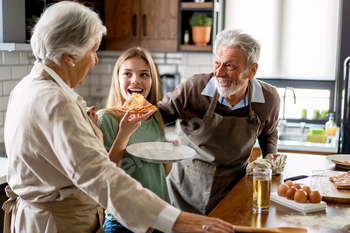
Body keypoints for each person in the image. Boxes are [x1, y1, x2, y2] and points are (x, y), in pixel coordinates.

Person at [2, 2, 236, 233]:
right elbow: (98, 173)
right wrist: (174, 220)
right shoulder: (55, 100)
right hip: (57, 224)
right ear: (70, 56)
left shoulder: (26, 87)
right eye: (93, 50)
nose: (95, 60)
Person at [158, 29, 281, 215]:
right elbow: (157, 117)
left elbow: (269, 131)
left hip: (233, 189)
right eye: (217, 63)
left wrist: (269, 153)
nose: (219, 72)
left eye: (230, 66)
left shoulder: (267, 99)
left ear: (252, 70)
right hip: (184, 191)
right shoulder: (194, 88)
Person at [97, 47, 173, 233]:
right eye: (127, 74)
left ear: (152, 81)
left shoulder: (153, 116)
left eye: (144, 75)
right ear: (117, 79)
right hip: (124, 222)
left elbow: (160, 173)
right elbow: (103, 177)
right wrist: (124, 134)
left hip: (159, 219)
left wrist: (170, 153)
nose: (136, 80)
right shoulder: (106, 119)